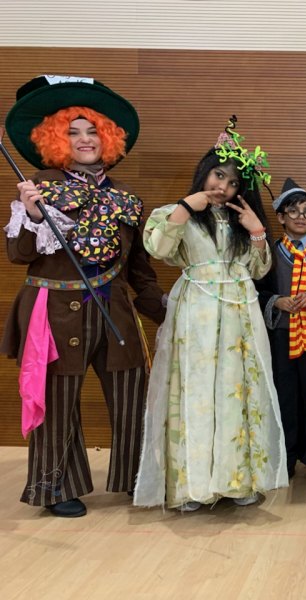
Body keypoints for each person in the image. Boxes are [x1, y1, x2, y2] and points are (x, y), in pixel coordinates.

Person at [1, 74, 166, 517]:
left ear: (108, 137)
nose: (84, 139)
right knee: (57, 399)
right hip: (54, 311)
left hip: (115, 307)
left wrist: (169, 311)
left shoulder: (126, 199)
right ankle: (56, 486)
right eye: (72, 132)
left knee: (132, 391)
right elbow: (18, 254)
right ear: (55, 139)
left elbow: (139, 271)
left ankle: (138, 477)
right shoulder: (38, 188)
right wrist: (34, 216)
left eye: (93, 130)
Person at [134, 120, 288, 510]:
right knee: (195, 390)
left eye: (233, 182)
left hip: (239, 312)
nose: (223, 186)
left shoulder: (241, 221)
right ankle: (192, 485)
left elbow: (258, 269)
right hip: (197, 313)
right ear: (204, 172)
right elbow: (157, 249)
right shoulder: (175, 212)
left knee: (238, 389)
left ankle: (237, 481)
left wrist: (256, 230)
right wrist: (187, 207)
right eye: (218, 175)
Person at [256, 177, 306, 480]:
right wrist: (276, 301)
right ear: (281, 217)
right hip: (281, 336)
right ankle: (286, 457)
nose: (300, 217)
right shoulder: (269, 253)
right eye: (293, 211)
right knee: (284, 395)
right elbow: (256, 290)